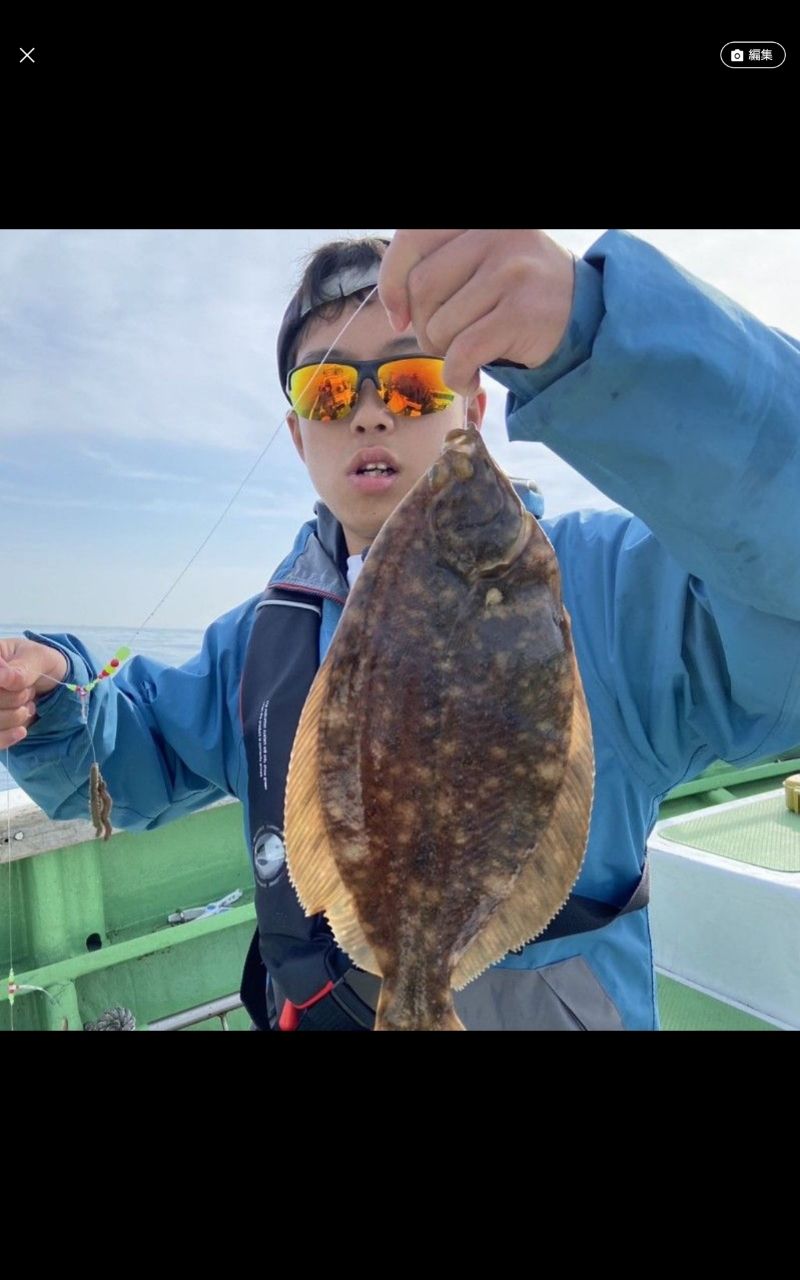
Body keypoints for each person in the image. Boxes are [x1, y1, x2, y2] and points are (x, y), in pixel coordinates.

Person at [2, 229, 799, 1031]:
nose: (372, 414)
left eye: (412, 384)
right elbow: (129, 757)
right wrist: (45, 697)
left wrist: (595, 337)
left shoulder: (606, 592)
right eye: (329, 392)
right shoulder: (262, 643)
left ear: (473, 408)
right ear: (297, 434)